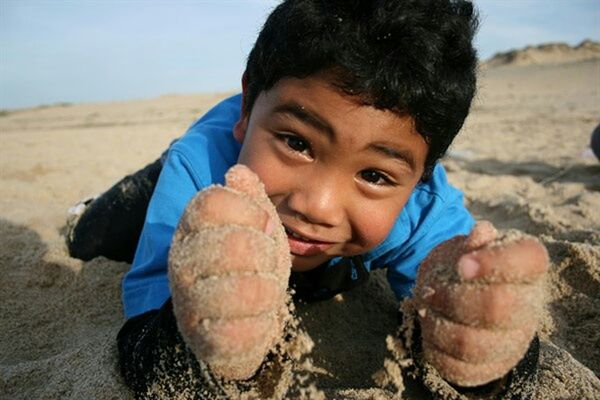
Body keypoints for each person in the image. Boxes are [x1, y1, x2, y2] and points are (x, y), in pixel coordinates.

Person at [66, 1, 553, 398]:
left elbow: (466, 310)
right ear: (247, 108)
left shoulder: (424, 208)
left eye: (375, 175)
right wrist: (203, 341)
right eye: (296, 143)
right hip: (183, 173)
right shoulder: (202, 173)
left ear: (422, 177)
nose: (317, 205)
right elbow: (148, 321)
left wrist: (485, 351)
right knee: (92, 235)